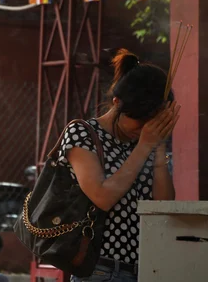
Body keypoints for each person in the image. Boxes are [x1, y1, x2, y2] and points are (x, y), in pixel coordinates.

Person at [57, 49, 179, 282]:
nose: (144, 129)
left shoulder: (146, 141)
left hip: (146, 269)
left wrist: (159, 145)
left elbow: (162, 208)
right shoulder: (82, 133)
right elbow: (102, 197)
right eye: (139, 121)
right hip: (100, 271)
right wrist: (145, 145)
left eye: (152, 123)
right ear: (117, 103)